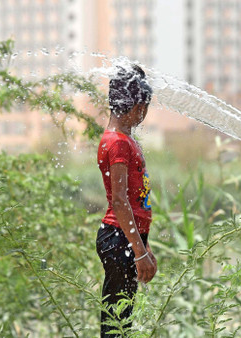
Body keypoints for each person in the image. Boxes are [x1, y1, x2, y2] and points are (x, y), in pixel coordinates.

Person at [96, 63, 157, 337]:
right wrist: (139, 251)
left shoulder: (123, 139)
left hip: (126, 238)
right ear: (136, 108)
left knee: (123, 317)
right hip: (119, 238)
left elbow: (131, 202)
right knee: (117, 322)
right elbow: (120, 202)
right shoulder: (118, 142)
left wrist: (144, 245)